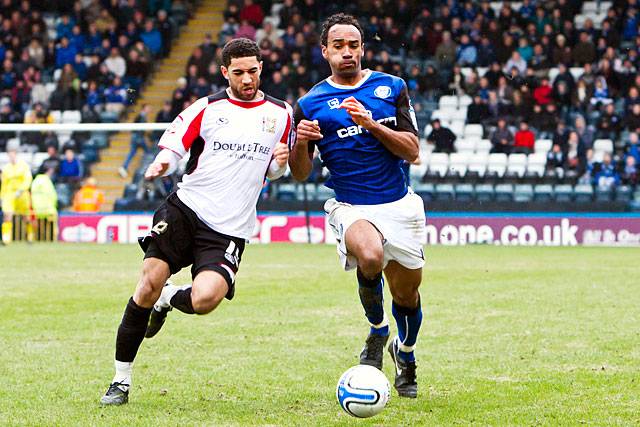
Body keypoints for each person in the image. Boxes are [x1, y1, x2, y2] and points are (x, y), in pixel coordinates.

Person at [100, 38, 292, 406]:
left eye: (253, 70)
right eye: (238, 72)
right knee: (147, 283)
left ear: (261, 69)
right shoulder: (205, 109)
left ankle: (168, 299)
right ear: (225, 73)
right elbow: (174, 148)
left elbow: (274, 171)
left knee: (205, 300)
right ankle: (120, 380)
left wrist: (281, 162)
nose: (247, 78)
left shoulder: (281, 114)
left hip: (229, 228)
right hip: (186, 210)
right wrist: (162, 165)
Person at [288, 14, 425, 399]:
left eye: (353, 45)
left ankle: (406, 353)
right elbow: (300, 174)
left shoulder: (391, 87)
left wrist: (373, 125)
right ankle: (378, 329)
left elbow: (413, 151)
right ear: (325, 51)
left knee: (407, 295)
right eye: (338, 46)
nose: (347, 52)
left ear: (362, 48)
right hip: (351, 205)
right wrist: (301, 142)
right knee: (370, 255)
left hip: (400, 206)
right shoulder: (310, 103)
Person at [1, 148, 34, 244]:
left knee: (26, 217)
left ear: (16, 155)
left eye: (13, 155)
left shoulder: (23, 166)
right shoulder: (6, 168)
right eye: (9, 155)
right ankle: (6, 238)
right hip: (9, 194)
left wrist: (21, 190)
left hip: (22, 194)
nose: (11, 157)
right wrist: (2, 196)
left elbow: (28, 179)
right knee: (7, 215)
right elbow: (4, 183)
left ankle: (30, 235)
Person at [119, 104, 152, 178]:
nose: (149, 110)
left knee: (132, 152)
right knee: (148, 152)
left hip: (135, 136)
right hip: (138, 137)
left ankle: (124, 167)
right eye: (148, 108)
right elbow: (141, 128)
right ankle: (146, 168)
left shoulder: (141, 116)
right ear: (144, 109)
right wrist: (144, 136)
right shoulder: (142, 116)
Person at [30, 167, 58, 241]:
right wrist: (54, 205)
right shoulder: (47, 181)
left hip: (37, 210)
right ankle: (51, 240)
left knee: (39, 227)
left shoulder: (35, 181)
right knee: (50, 227)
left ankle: (38, 240)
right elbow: (52, 195)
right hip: (48, 209)